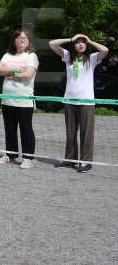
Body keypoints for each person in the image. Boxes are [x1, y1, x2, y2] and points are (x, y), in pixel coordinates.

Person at [49, 34, 108, 172]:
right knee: (70, 132)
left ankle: (86, 161)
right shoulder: (68, 56)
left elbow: (105, 50)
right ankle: (70, 160)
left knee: (86, 132)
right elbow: (52, 44)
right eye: (78, 42)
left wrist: (90, 40)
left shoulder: (92, 58)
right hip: (69, 99)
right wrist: (71, 39)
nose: (81, 44)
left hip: (86, 101)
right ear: (73, 45)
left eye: (83, 42)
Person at [0, 29, 39, 169]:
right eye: (19, 38)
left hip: (24, 100)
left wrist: (11, 74)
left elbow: (28, 74)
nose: (22, 40)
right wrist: (17, 69)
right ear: (14, 41)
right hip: (7, 99)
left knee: (26, 129)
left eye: (24, 38)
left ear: (28, 41)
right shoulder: (7, 55)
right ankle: (11, 155)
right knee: (10, 128)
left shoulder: (31, 56)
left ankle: (28, 158)